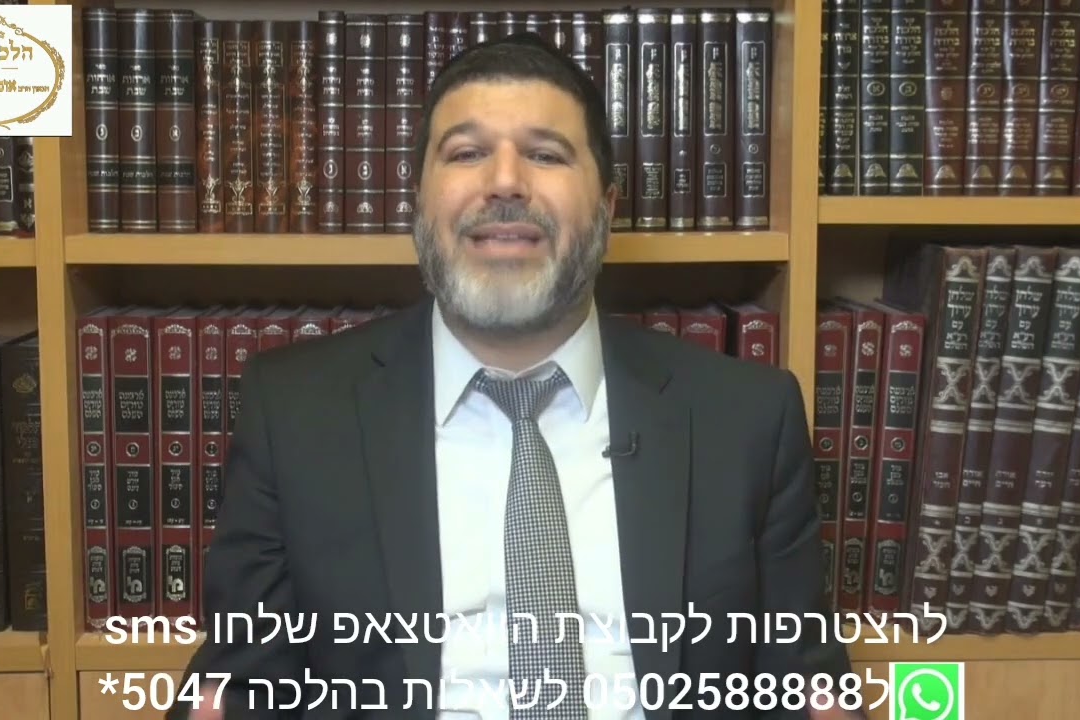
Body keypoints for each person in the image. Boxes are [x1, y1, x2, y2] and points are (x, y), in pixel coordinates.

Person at [167, 32, 860, 720]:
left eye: (546, 154)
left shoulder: (748, 421)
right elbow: (240, 685)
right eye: (467, 153)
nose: (505, 182)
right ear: (418, 201)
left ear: (607, 208)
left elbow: (805, 688)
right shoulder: (294, 415)